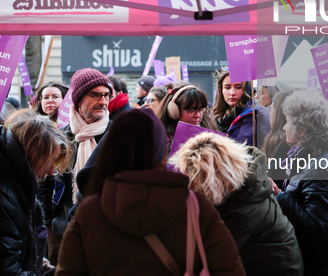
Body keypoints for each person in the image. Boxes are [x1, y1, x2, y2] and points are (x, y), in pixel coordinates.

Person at [56, 109, 246, 276]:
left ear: (111, 149)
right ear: (160, 152)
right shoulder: (195, 208)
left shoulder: (89, 212)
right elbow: (229, 268)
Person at [171, 132, 303, 276]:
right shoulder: (242, 179)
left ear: (213, 180)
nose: (190, 187)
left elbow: (212, 260)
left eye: (194, 181)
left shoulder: (241, 210)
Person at [0, 110, 70, 276]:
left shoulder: (4, 182)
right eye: (50, 160)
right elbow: (2, 271)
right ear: (32, 151)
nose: (52, 171)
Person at [272, 91, 328, 276]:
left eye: (288, 121)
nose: (285, 127)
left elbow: (317, 226)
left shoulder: (321, 167)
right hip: (326, 263)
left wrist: (280, 196)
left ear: (302, 129)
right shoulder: (311, 159)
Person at [38, 68, 113, 267]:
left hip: (107, 233)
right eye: (95, 95)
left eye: (106, 95)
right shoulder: (60, 138)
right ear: (78, 99)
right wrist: (51, 224)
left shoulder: (118, 134)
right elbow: (45, 184)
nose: (103, 101)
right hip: (62, 233)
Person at [212, 70, 270, 147]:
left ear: (246, 89)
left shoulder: (258, 115)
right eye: (227, 87)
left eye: (238, 87)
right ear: (221, 90)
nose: (232, 92)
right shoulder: (213, 116)